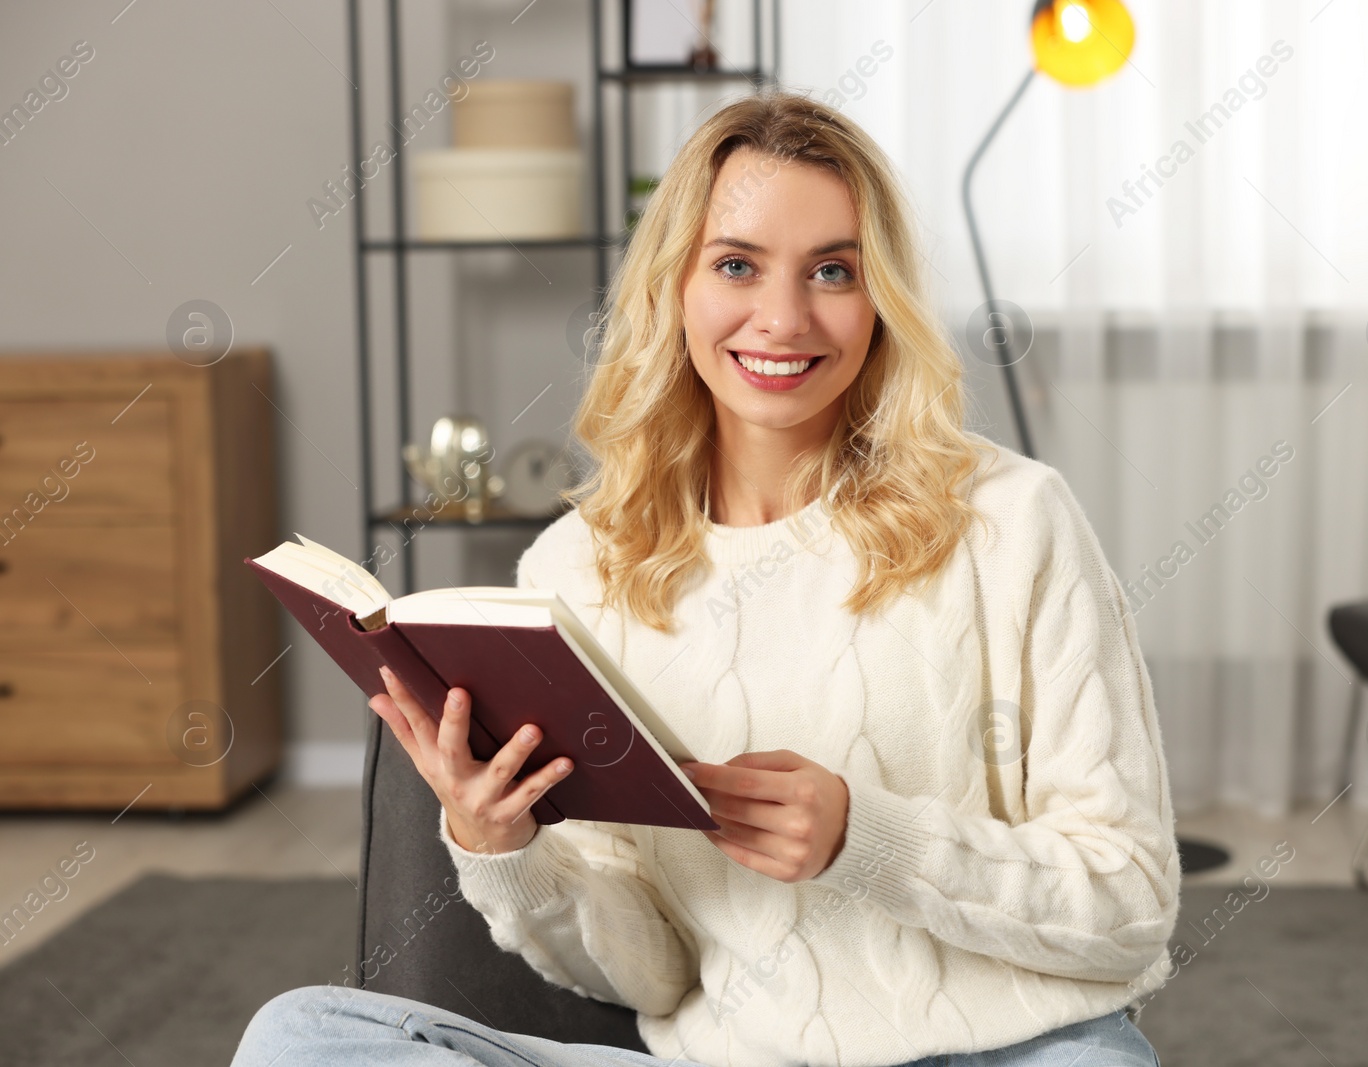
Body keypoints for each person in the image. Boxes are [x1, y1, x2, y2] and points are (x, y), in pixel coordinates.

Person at [231, 88, 1178, 1067]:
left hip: (1012, 1052)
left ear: (881, 297)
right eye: (737, 264)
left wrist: (870, 837)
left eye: (833, 271)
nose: (782, 317)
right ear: (674, 284)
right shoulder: (577, 568)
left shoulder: (1012, 519)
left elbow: (1129, 903)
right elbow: (649, 976)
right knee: (302, 1034)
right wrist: (499, 847)